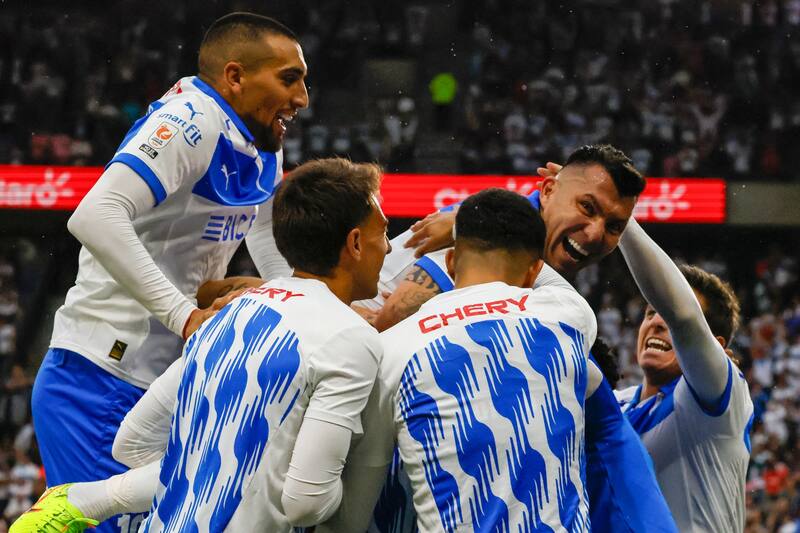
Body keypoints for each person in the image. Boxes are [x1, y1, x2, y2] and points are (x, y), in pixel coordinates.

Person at [30, 12, 308, 533]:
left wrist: (298, 301)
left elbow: (265, 235)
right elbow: (95, 214)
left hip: (164, 383)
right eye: (288, 79)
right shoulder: (189, 120)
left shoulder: (261, 137)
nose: (302, 98)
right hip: (99, 379)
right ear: (235, 76)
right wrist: (185, 316)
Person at [12, 158, 390, 532]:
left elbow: (131, 443)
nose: (388, 248)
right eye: (383, 233)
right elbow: (306, 504)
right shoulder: (352, 338)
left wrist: (218, 472)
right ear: (355, 243)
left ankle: (84, 498)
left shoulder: (224, 313)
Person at [319, 188, 597, 532]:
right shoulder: (570, 316)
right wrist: (456, 226)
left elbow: (354, 512)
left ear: (450, 263)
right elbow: (556, 290)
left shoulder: (393, 349)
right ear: (533, 271)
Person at [371, 144, 640, 331]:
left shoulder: (516, 232)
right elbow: (393, 318)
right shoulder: (490, 227)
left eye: (614, 227)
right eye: (587, 207)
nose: (594, 235)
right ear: (547, 191)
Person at [616, 217, 754, 533]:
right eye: (651, 312)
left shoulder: (720, 397)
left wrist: (619, 219)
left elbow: (685, 317)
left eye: (670, 317)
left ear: (717, 347)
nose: (657, 322)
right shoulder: (615, 404)